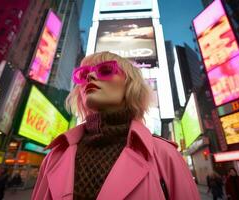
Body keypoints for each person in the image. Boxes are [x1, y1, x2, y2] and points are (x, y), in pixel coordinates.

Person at [32, 51, 200, 200]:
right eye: (83, 75)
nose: (89, 77)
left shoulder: (164, 155)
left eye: (105, 70)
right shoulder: (54, 157)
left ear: (130, 85)